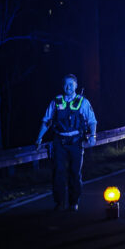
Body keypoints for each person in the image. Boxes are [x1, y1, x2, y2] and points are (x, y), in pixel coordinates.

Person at [36, 74, 97, 211]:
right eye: (65, 84)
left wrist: (93, 135)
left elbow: (92, 121)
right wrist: (39, 137)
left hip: (76, 142)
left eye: (71, 84)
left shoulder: (83, 102)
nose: (68, 87)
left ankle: (73, 202)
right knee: (58, 172)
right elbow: (47, 121)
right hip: (59, 142)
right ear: (62, 86)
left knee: (75, 173)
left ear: (76, 85)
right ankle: (59, 202)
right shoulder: (56, 102)